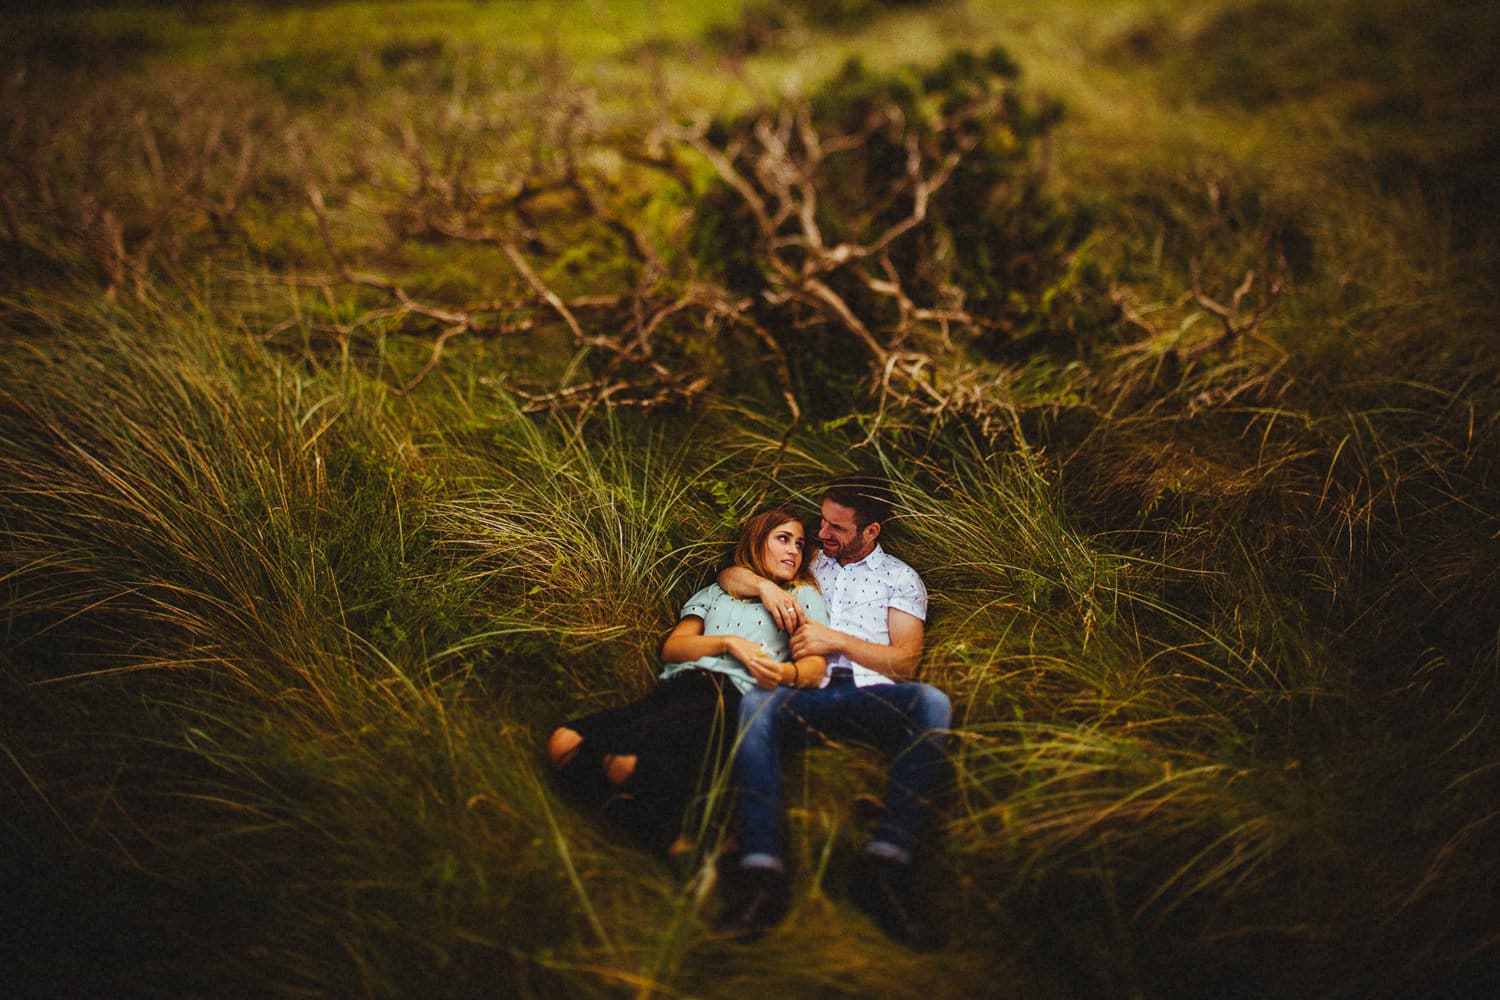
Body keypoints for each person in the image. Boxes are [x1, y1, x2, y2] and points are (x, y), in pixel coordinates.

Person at [715, 472, 952, 949]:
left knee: (933, 702)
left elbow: (905, 663)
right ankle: (762, 870)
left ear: (871, 532)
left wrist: (835, 640)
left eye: (836, 529)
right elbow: (729, 575)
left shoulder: (900, 578)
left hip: (873, 696)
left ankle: (885, 863)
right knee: (756, 706)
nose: (821, 534)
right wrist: (766, 590)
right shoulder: (806, 564)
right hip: (804, 692)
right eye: (822, 521)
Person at [546, 507, 830, 859]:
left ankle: (667, 837)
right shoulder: (717, 592)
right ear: (758, 541)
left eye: (800, 545)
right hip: (678, 687)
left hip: (733, 697)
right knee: (562, 742)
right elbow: (673, 649)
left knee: (622, 763)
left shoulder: (803, 597)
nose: (793, 551)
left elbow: (816, 668)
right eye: (783, 539)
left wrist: (782, 673)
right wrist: (729, 643)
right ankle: (669, 838)